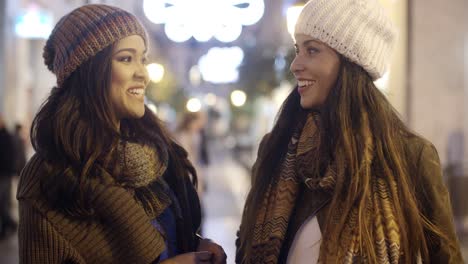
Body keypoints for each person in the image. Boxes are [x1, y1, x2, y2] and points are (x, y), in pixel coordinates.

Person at [236, 0, 464, 263]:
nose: (295, 64)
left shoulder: (410, 156)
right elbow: (246, 244)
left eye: (312, 50)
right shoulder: (276, 147)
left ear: (350, 64)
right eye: (298, 50)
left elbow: (446, 257)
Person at [17, 4, 226, 264]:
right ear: (90, 72)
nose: (143, 73)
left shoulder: (154, 153)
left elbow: (161, 238)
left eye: (143, 59)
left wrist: (195, 244)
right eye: (126, 58)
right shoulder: (47, 178)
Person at [0, 114, 17, 239]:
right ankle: (8, 224)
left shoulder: (5, 137)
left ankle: (9, 224)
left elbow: (9, 157)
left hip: (4, 174)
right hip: (5, 173)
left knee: (3, 202)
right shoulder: (7, 136)